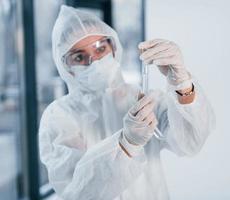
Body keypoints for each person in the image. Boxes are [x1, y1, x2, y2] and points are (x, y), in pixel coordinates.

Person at [39, 5, 215, 200]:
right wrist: (127, 144)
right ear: (66, 67)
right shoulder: (59, 116)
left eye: (100, 48)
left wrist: (181, 83)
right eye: (79, 57)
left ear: (114, 48)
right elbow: (78, 193)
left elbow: (190, 142)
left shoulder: (143, 100)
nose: (94, 61)